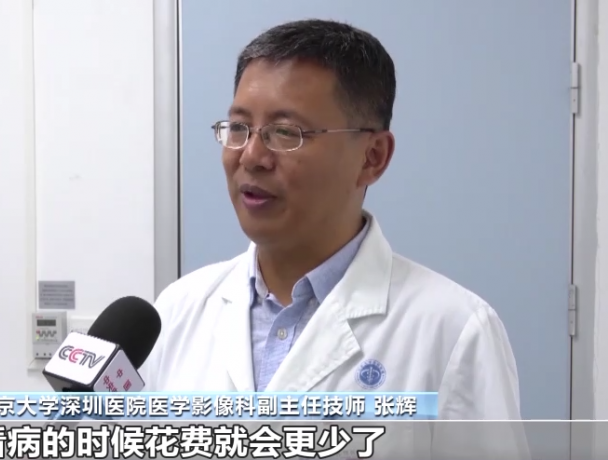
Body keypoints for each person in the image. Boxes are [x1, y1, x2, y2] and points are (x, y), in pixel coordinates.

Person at [140, 19, 529, 458]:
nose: (251, 156)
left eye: (285, 133)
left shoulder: (452, 330)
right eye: (239, 128)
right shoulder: (178, 310)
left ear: (372, 157)